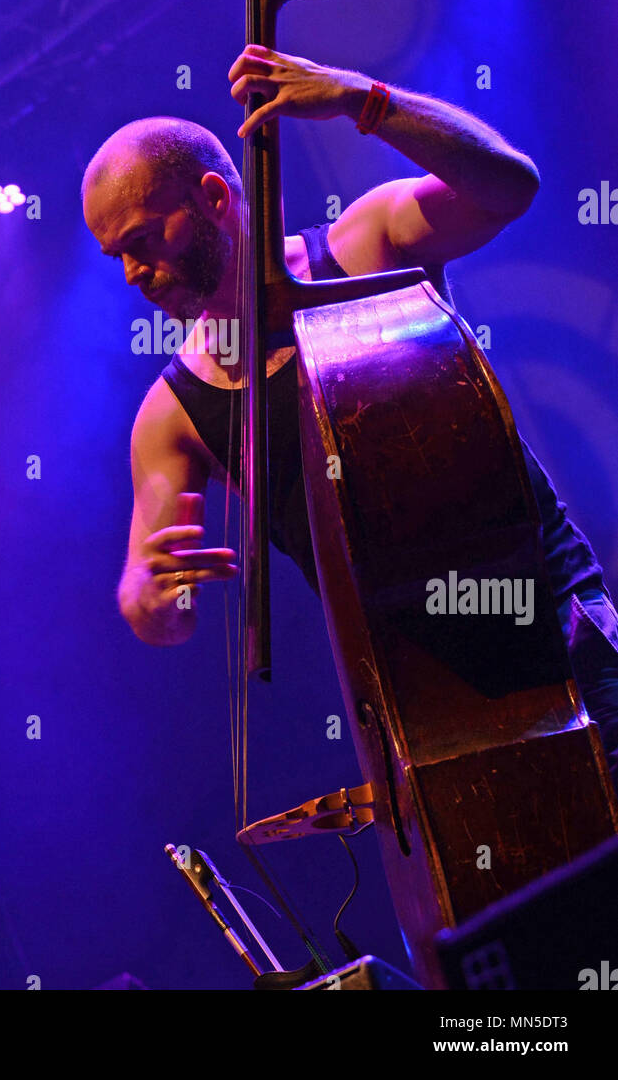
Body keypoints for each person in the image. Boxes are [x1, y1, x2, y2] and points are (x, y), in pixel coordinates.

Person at [81, 43, 618, 788]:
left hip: (554, 630)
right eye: (118, 259)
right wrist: (149, 596)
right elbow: (153, 603)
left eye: (142, 243)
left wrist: (361, 99)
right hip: (412, 704)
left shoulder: (366, 243)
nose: (135, 275)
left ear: (211, 196)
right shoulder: (171, 415)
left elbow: (508, 186)